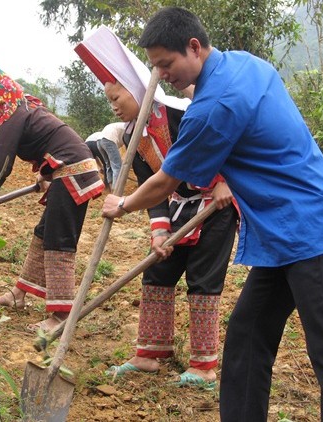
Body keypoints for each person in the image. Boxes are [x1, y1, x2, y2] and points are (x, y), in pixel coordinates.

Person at [102, 7, 323, 421]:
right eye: (155, 66)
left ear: (194, 47)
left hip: (307, 230)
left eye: (167, 64)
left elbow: (166, 182)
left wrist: (122, 204)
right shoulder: (246, 64)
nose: (163, 74)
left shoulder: (214, 106)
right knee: (246, 338)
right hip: (278, 232)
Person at [77, 25, 238, 389]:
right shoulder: (135, 139)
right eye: (109, 100)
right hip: (180, 206)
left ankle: (205, 367)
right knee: (157, 274)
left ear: (138, 90)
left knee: (202, 282)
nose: (113, 104)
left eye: (118, 96)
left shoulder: (181, 114)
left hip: (216, 206)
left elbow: (222, 142)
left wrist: (225, 181)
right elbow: (155, 191)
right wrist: (161, 230)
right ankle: (151, 353)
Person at [0, 45, 105, 331]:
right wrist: (45, 173)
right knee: (43, 233)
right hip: (62, 169)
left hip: (73, 171)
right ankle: (19, 294)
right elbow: (48, 142)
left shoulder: (13, 114)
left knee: (59, 240)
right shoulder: (17, 110)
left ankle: (61, 316)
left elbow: (1, 161)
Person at [95, 122, 125, 190]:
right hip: (108, 140)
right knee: (117, 167)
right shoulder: (128, 127)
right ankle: (116, 191)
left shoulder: (119, 125)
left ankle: (111, 187)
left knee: (108, 165)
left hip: (99, 141)